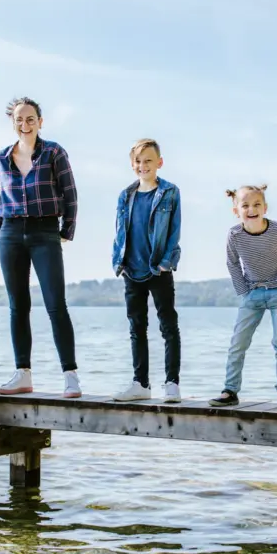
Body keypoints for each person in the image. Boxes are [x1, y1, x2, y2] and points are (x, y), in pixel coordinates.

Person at [0, 97, 81, 398]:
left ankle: (70, 375)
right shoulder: (1, 158)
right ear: (13, 123)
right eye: (19, 120)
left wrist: (65, 231)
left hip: (45, 231)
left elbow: (70, 194)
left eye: (30, 119)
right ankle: (22, 373)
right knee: (18, 305)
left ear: (40, 121)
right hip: (10, 235)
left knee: (55, 304)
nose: (25, 124)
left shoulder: (53, 152)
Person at [209, 184, 277, 410]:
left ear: (265, 208)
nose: (252, 209)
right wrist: (243, 291)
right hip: (251, 294)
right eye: (246, 205)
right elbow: (232, 263)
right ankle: (230, 391)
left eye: (257, 205)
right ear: (236, 211)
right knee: (238, 343)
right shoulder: (234, 234)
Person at [110, 139, 182, 403]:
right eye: (138, 162)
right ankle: (140, 383)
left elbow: (174, 232)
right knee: (136, 328)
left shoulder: (170, 192)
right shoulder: (125, 196)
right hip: (131, 270)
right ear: (133, 165)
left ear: (159, 163)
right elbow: (120, 232)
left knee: (168, 326)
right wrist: (118, 261)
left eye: (148, 161)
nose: (143, 166)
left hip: (159, 269)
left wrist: (165, 263)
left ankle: (172, 383)